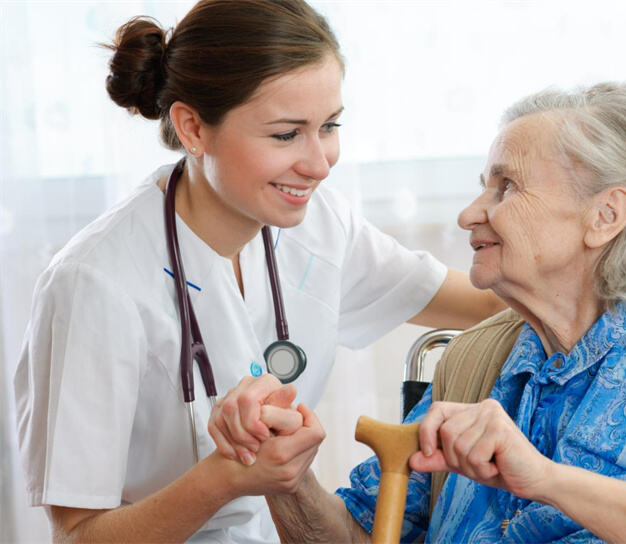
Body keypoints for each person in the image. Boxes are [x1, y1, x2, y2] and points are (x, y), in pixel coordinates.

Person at [212, 82, 626, 542]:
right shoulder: (467, 367)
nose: (471, 213)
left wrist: (546, 480)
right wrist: (284, 477)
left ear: (606, 216)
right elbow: (362, 537)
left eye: (506, 187)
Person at [13, 1, 505, 542]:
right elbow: (77, 535)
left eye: (329, 126)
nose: (319, 164)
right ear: (193, 127)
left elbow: (491, 300)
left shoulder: (319, 227)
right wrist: (223, 479)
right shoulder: (95, 283)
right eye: (285, 135)